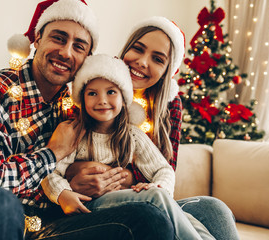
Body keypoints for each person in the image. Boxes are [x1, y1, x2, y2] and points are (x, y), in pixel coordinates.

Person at [0, 1, 175, 240]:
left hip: (46, 228)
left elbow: (111, 151)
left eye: (79, 46)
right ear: (37, 39)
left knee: (149, 218)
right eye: (58, 38)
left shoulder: (78, 107)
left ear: (86, 58)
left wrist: (81, 180)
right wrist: (51, 155)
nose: (66, 52)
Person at [66, 16, 240, 240]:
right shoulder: (96, 86)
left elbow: (165, 167)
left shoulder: (169, 106)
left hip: (146, 196)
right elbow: (60, 153)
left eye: (157, 59)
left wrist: (128, 176)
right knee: (154, 209)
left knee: (213, 209)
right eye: (138, 49)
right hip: (98, 203)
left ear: (168, 69)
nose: (142, 62)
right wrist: (75, 171)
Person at [42, 53, 215, 239]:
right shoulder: (75, 133)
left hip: (126, 202)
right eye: (92, 93)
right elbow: (49, 172)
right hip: (90, 206)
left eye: (111, 92)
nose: (102, 100)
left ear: (124, 99)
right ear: (82, 99)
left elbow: (163, 169)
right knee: (156, 198)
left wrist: (158, 185)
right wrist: (63, 194)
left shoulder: (132, 135)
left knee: (189, 218)